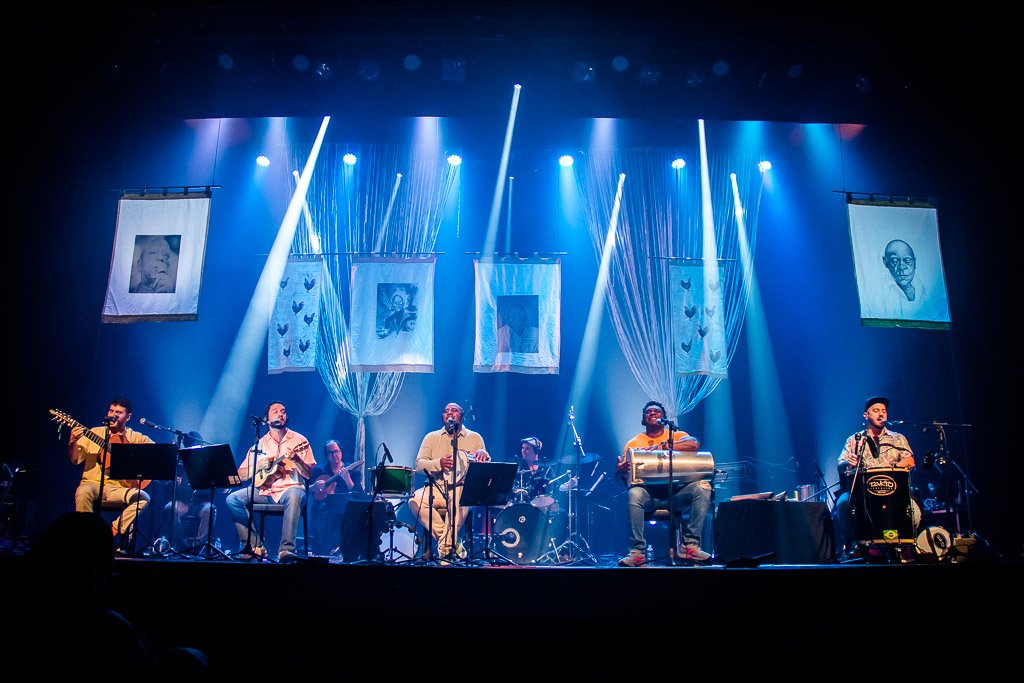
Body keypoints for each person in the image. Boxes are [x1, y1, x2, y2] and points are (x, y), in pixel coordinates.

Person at [615, 400, 712, 566]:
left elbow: (694, 443)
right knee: (634, 493)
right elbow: (623, 479)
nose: (653, 413)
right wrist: (620, 470)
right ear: (644, 420)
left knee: (703, 487)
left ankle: (690, 546)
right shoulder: (633, 444)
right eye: (649, 412)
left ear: (664, 417)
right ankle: (637, 552)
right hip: (649, 496)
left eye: (657, 411)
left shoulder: (676, 436)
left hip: (677, 494)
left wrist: (665, 445)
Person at [225, 401, 315, 562]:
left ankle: (286, 550)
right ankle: (254, 546)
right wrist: (257, 465)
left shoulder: (300, 440)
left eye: (283, 411)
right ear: (266, 419)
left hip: (290, 488)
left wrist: (297, 460)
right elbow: (240, 474)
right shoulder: (259, 444)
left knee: (294, 495)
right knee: (233, 499)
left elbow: (309, 475)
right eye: (275, 411)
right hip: (264, 491)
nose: (281, 414)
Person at [834, 396, 915, 560]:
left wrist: (891, 470)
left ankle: (906, 545)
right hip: (862, 493)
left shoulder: (898, 438)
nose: (881, 415)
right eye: (876, 411)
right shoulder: (855, 440)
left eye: (884, 411)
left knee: (915, 506)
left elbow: (910, 460)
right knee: (843, 504)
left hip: (895, 491)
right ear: (866, 415)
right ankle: (856, 545)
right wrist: (848, 464)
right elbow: (840, 465)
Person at [67, 397, 153, 549]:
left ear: (128, 417)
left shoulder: (136, 437)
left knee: (143, 497)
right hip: (92, 484)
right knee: (83, 492)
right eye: (111, 411)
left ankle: (111, 532)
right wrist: (72, 441)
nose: (113, 414)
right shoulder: (93, 433)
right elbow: (74, 459)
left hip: (119, 489)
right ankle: (85, 539)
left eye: (118, 412)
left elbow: (154, 454)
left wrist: (130, 460)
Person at [408, 402, 491, 561]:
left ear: (462, 416)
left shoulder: (475, 438)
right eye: (446, 411)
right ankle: (453, 545)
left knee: (460, 497)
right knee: (414, 500)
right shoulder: (431, 437)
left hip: (463, 488)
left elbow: (484, 463)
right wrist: (438, 463)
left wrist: (482, 454)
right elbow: (419, 465)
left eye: (454, 410)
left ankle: (445, 551)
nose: (449, 413)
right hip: (437, 488)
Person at [159, 430, 216, 551]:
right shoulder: (179, 462)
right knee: (170, 507)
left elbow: (211, 490)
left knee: (209, 509)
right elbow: (166, 487)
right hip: (183, 502)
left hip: (199, 504)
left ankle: (198, 545)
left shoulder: (205, 462)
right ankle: (179, 545)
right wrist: (175, 483)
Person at [309, 439, 365, 555]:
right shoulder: (319, 470)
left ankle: (348, 551)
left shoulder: (353, 471)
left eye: (337, 451)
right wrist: (314, 486)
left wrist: (347, 478)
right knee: (322, 514)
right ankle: (321, 552)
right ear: (326, 455)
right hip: (324, 507)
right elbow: (306, 490)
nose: (335, 455)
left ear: (341, 452)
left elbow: (358, 494)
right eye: (331, 453)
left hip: (346, 507)